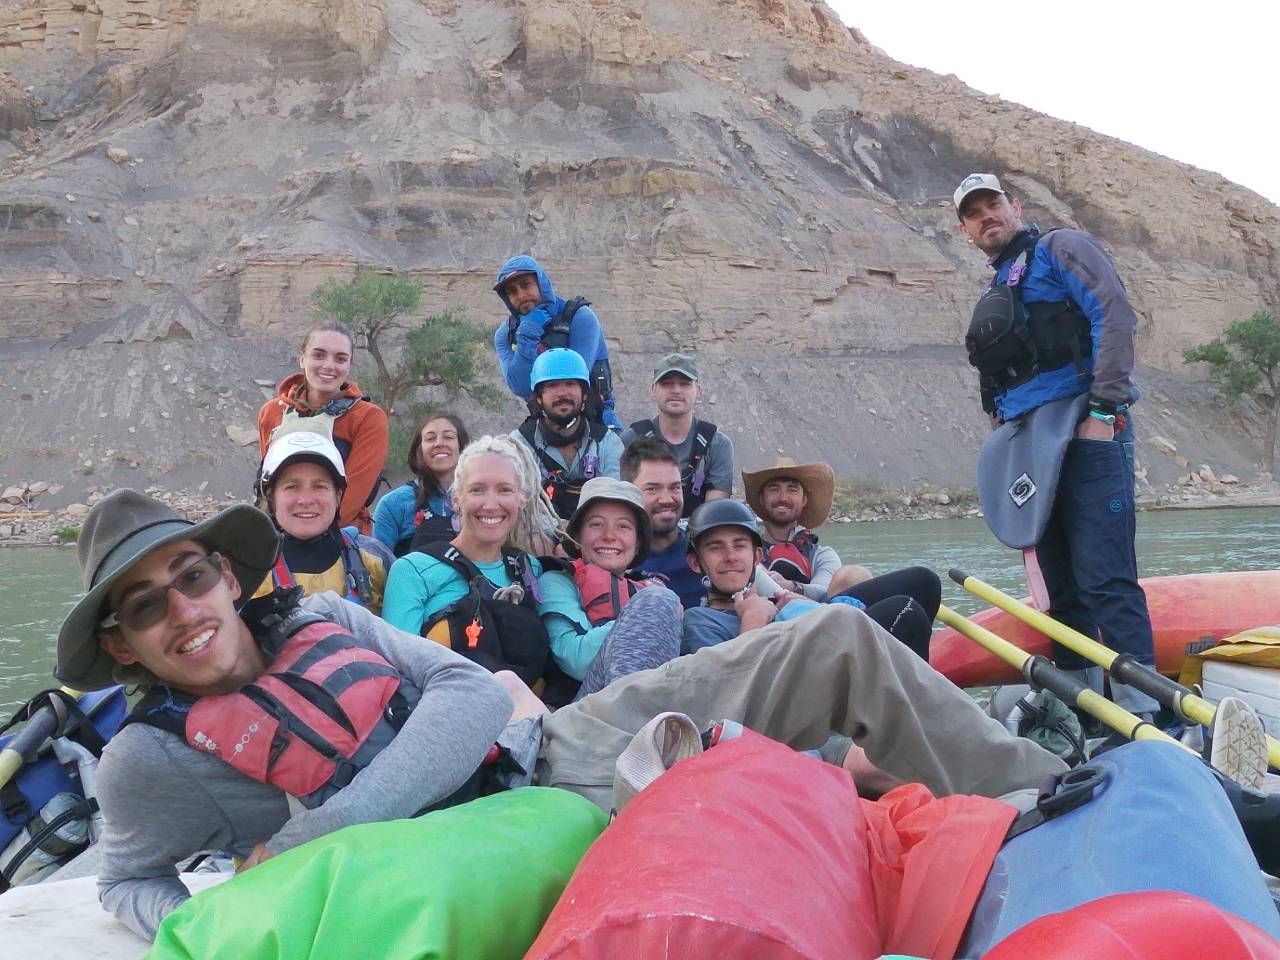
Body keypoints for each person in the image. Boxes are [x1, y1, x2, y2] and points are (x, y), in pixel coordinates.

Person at [59, 490, 1068, 941]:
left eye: (191, 576)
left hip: (551, 747)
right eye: (145, 606)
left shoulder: (323, 614)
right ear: (123, 645)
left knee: (834, 638)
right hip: (492, 850)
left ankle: (1054, 799)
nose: (183, 610)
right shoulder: (148, 762)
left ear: (225, 574)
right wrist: (214, 919)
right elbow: (126, 882)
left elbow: (466, 698)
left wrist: (309, 836)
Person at [954, 173, 1158, 714]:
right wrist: (1005, 443)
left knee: (1106, 578)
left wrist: (1103, 412)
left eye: (993, 204)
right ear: (965, 231)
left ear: (1015, 206)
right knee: (1061, 592)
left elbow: (1113, 314)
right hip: (1031, 448)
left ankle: (1143, 713)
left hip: (1086, 429)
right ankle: (1082, 713)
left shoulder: (1061, 248)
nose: (986, 216)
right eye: (973, 213)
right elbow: (998, 380)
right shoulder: (996, 291)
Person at [680, 499, 938, 661]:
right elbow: (726, 691)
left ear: (757, 556)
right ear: (695, 562)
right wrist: (753, 620)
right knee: (905, 611)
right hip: (809, 680)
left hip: (819, 635)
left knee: (923, 581)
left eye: (739, 546)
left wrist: (807, 606)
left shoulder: (772, 598)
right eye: (716, 548)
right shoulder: (700, 621)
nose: (730, 557)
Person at [537, 477, 682, 699]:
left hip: (652, 701)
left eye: (623, 526)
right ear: (578, 536)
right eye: (596, 524)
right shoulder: (557, 582)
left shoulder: (648, 588)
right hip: (583, 708)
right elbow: (575, 660)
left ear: (638, 543)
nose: (609, 536)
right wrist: (641, 615)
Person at [257, 321, 389, 535]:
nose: (329, 366)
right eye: (318, 355)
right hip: (279, 535)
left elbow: (354, 494)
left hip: (343, 537)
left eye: (340, 359)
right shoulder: (271, 412)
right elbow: (269, 482)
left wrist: (305, 533)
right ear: (302, 358)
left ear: (349, 364)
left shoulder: (368, 417)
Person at [251, 428, 395, 616]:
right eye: (292, 487)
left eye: (319, 486)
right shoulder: (248, 571)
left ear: (338, 496)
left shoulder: (374, 559)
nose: (306, 500)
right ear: (271, 498)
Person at [492, 255, 620, 430]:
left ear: (541, 284)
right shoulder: (506, 335)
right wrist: (528, 333)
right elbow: (521, 386)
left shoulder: (580, 317)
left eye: (526, 285)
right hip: (544, 425)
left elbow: (574, 378)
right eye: (512, 291)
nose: (520, 295)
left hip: (596, 421)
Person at [511, 348, 624, 521]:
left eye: (570, 384)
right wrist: (557, 530)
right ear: (539, 397)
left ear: (584, 394)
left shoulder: (607, 443)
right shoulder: (519, 445)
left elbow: (616, 504)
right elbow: (519, 509)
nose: (562, 393)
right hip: (538, 535)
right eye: (552, 385)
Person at [620, 354, 734, 517]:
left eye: (685, 384)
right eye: (667, 384)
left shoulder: (717, 444)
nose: (676, 390)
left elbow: (714, 514)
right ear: (653, 390)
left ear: (698, 391)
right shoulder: (630, 440)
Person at [742, 457, 870, 600]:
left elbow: (824, 590)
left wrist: (791, 586)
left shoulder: (822, 555)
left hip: (813, 614)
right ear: (762, 498)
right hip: (757, 613)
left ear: (804, 500)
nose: (783, 497)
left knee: (855, 575)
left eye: (792, 490)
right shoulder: (745, 552)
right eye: (774, 489)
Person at [619, 437, 706, 610]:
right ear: (627, 493)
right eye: (652, 489)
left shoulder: (705, 552)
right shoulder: (614, 559)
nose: (667, 499)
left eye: (675, 487)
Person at [372, 413, 468, 557]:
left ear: (462, 446)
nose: (439, 443)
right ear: (420, 450)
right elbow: (379, 563)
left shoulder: (478, 502)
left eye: (448, 437)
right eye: (430, 438)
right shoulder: (394, 504)